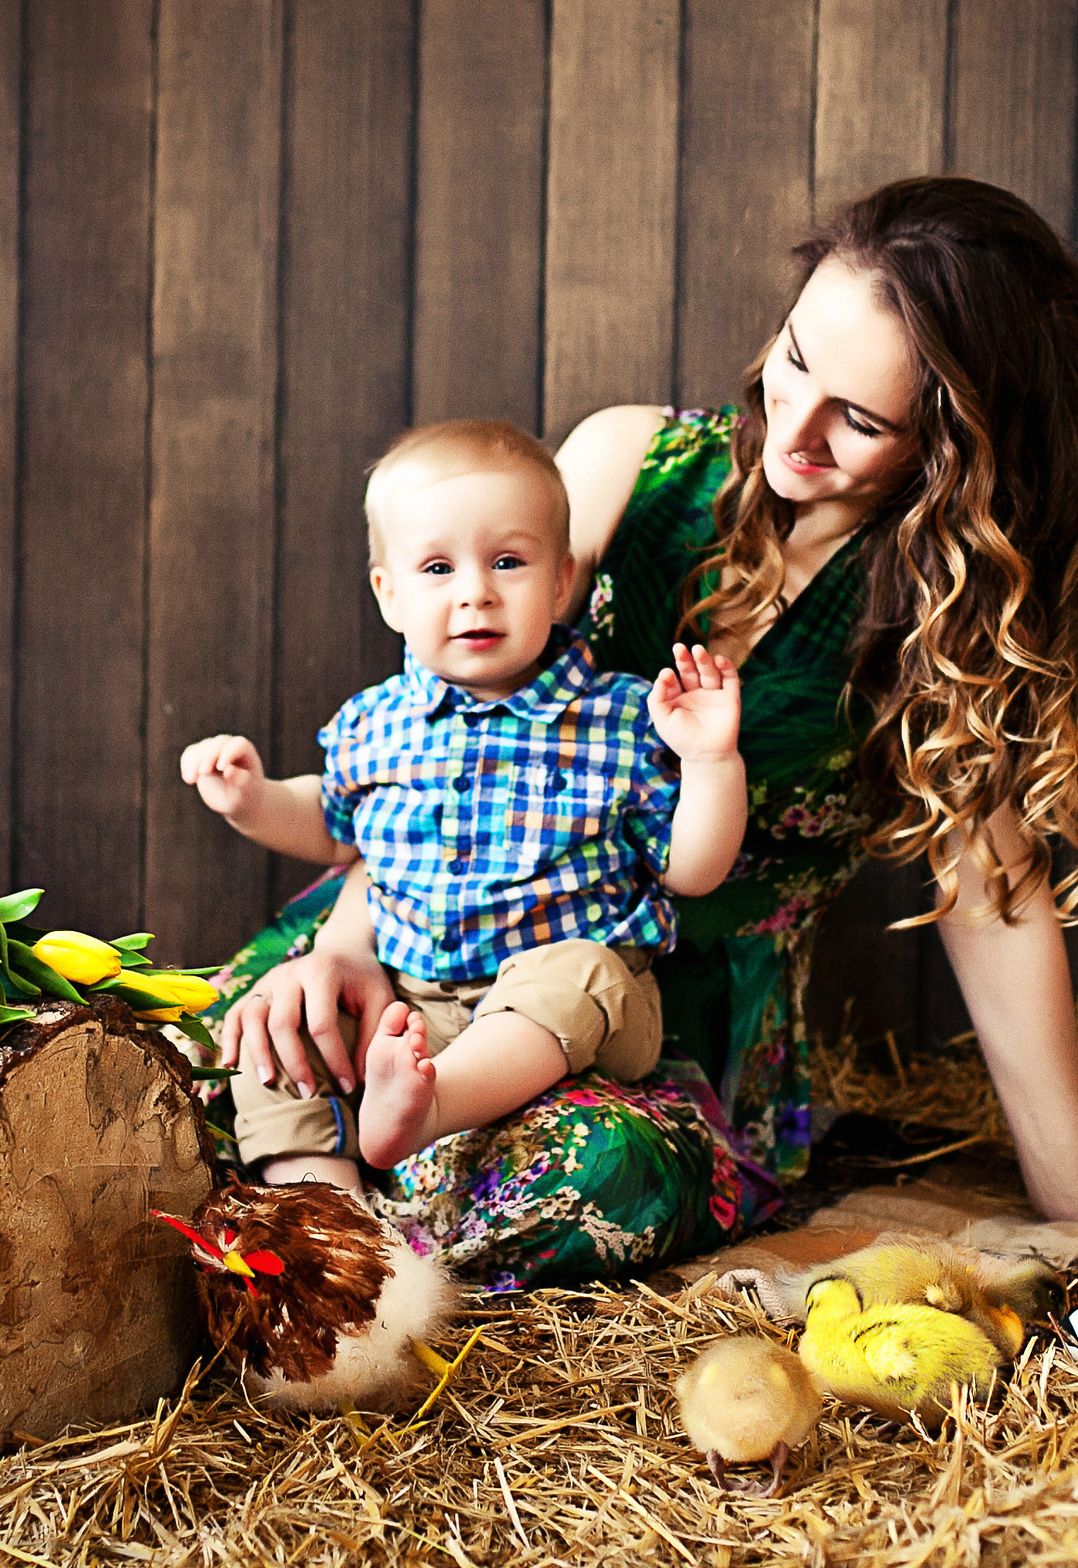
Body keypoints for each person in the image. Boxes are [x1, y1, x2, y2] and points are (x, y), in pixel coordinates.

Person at [209, 176, 1078, 1288]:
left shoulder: (941, 627)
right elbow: (446, 733)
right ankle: (328, 1196)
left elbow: (993, 910)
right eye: (794, 358)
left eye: (861, 421)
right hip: (417, 910)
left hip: (638, 1017)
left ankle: (341, 1230)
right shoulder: (630, 462)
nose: (796, 428)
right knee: (238, 1042)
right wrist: (347, 944)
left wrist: (1077, 1200)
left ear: (954, 446)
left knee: (610, 1170)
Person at [180, 419, 748, 1174]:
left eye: (507, 561)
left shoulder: (621, 717)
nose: (476, 592)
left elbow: (691, 869)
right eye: (438, 568)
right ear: (389, 595)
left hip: (557, 1011)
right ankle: (326, 1203)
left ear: (561, 581)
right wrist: (250, 799)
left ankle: (433, 1107)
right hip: (412, 1001)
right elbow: (332, 826)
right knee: (278, 1049)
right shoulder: (375, 722)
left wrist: (711, 759)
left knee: (583, 973)